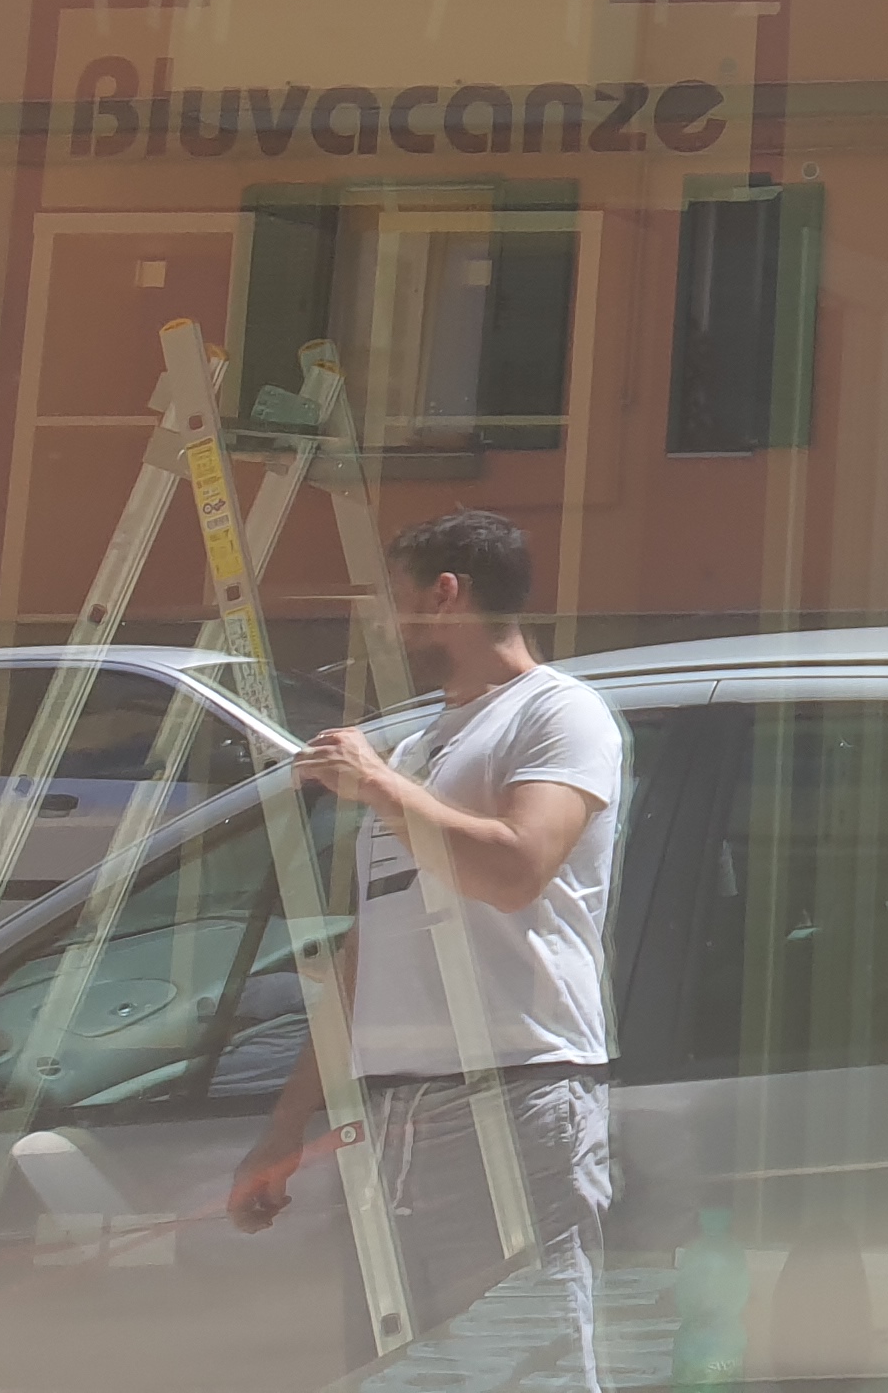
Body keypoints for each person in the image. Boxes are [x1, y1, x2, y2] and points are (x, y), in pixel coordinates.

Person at [227, 508, 626, 1393]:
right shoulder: (419, 746)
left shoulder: (559, 714)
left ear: (446, 593)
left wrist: (378, 786)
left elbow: (516, 870)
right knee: (410, 1374)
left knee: (529, 1369)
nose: (386, 623)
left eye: (395, 599)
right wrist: (287, 1127)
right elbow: (369, 955)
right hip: (396, 1114)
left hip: (513, 1090)